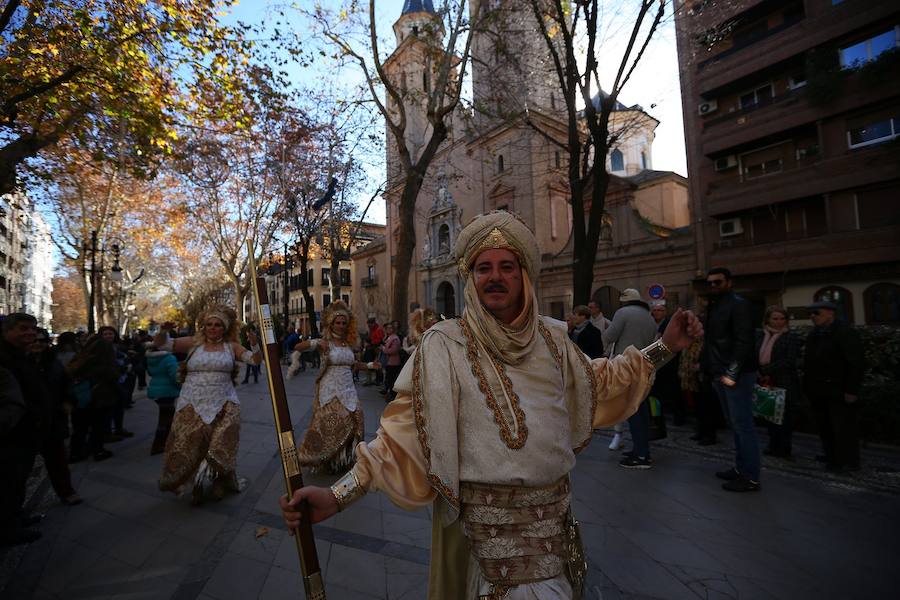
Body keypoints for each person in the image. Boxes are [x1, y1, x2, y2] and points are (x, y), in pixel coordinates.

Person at [280, 211, 702, 598]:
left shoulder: (555, 340)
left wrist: (665, 347)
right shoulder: (443, 345)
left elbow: (600, 381)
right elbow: (403, 435)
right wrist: (338, 496)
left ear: (524, 276)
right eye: (484, 268)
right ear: (471, 278)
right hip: (487, 546)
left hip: (557, 534)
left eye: (507, 267)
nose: (495, 277)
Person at [153, 306, 261, 504]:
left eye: (218, 325)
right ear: (204, 327)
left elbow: (254, 360)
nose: (213, 328)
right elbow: (162, 345)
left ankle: (219, 482)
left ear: (224, 328)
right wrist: (163, 331)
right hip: (192, 403)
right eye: (209, 324)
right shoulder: (193, 343)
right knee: (190, 445)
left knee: (219, 445)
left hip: (224, 403)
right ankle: (196, 485)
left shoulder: (232, 346)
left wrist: (255, 345)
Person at [295, 301, 379, 473]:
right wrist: (315, 343)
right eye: (337, 322)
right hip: (330, 389)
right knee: (330, 423)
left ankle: (344, 459)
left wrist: (370, 365)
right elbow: (298, 347)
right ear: (331, 323)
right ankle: (322, 458)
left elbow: (354, 364)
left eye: (343, 323)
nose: (341, 326)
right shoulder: (325, 343)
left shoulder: (348, 345)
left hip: (348, 389)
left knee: (356, 419)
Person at [702, 267, 761, 492]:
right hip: (721, 372)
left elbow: (744, 341)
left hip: (737, 374)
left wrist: (731, 374)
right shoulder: (715, 306)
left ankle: (750, 476)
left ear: (729, 282)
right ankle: (741, 468)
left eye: (718, 282)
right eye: (710, 283)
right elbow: (712, 342)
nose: (714, 286)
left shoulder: (739, 304)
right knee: (734, 424)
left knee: (743, 425)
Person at [0, 313, 53, 545]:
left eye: (33, 329)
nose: (30, 333)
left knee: (18, 481)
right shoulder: (4, 358)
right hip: (12, 434)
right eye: (23, 329)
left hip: (28, 431)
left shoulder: (24, 355)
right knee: (8, 484)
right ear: (8, 331)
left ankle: (16, 518)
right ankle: (8, 530)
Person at [803, 300, 864, 473]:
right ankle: (831, 455)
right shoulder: (814, 334)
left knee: (843, 428)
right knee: (825, 426)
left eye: (817, 313)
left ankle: (847, 461)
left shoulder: (845, 332)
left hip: (838, 389)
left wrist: (851, 390)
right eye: (811, 314)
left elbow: (855, 363)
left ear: (831, 313)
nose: (812, 317)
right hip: (818, 389)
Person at [602, 289, 659, 467]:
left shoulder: (622, 313)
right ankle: (641, 450)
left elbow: (609, 335)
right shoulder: (649, 317)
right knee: (640, 412)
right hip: (644, 368)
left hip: (626, 367)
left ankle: (641, 456)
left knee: (633, 412)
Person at [30, 328, 82, 506]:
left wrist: (68, 401)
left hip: (53, 418)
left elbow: (66, 383)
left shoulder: (54, 363)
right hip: (28, 421)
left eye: (42, 341)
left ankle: (66, 491)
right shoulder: (18, 362)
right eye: (34, 340)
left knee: (58, 460)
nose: (38, 344)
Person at [755, 306, 802, 459]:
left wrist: (765, 370)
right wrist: (758, 371)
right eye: (775, 318)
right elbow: (753, 355)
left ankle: (784, 449)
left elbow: (789, 361)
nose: (779, 322)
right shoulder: (761, 335)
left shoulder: (791, 336)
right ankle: (773, 445)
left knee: (785, 419)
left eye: (782, 319)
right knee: (769, 415)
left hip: (784, 381)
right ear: (768, 319)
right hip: (764, 381)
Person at [67, 335, 119, 462]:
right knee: (98, 426)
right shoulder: (105, 364)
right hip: (100, 399)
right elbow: (113, 378)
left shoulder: (80, 360)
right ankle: (97, 450)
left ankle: (76, 452)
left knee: (79, 428)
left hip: (80, 399)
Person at [145, 345, 181, 455]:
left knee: (168, 416)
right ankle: (158, 444)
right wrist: (181, 385)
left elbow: (151, 373)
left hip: (156, 389)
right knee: (165, 418)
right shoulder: (169, 358)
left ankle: (167, 441)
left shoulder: (151, 358)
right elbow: (175, 376)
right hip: (167, 390)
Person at [381, 321, 402, 401]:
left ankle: (392, 395)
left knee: (392, 379)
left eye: (390, 328)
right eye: (387, 328)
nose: (388, 329)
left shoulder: (395, 338)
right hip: (389, 361)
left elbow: (393, 350)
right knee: (389, 379)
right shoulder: (389, 337)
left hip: (394, 362)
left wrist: (384, 349)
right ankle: (389, 393)